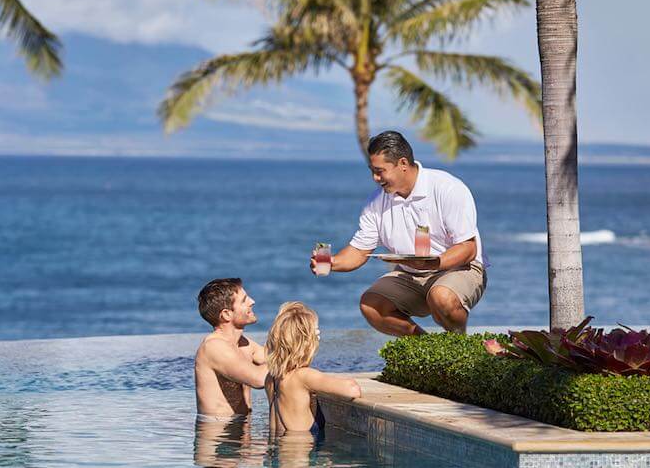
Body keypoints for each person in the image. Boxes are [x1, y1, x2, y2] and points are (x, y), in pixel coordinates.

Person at [311, 131, 487, 336]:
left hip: (460, 268)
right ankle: (428, 351)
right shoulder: (375, 203)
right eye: (372, 171)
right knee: (371, 305)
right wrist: (330, 263)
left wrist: (433, 263)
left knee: (441, 296)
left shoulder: (447, 188)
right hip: (410, 273)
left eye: (380, 171)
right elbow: (359, 251)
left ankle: (460, 347)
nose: (375, 178)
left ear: (402, 163)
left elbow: (468, 248)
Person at [264, 302, 361, 440]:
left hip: (279, 455)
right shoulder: (303, 376)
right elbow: (352, 390)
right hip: (299, 458)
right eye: (316, 333)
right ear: (306, 342)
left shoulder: (271, 378)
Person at [194, 278, 268, 420]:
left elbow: (274, 358)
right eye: (244, 300)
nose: (252, 301)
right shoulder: (214, 347)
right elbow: (259, 379)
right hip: (218, 434)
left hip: (241, 427)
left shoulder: (243, 343)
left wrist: (302, 338)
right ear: (226, 314)